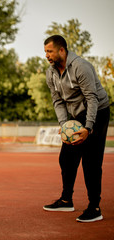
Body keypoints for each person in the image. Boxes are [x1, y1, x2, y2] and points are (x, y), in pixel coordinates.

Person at [42, 35, 110, 223]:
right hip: (75, 116)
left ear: (61, 50)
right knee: (66, 158)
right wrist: (64, 126)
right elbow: (57, 101)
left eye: (50, 51)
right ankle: (66, 200)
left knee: (91, 162)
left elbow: (92, 98)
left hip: (97, 112)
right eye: (45, 51)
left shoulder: (81, 66)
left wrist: (89, 127)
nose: (46, 55)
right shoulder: (51, 73)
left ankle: (94, 208)